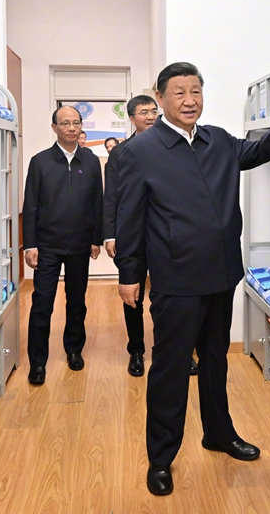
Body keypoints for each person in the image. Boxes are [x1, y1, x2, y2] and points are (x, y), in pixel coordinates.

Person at [115, 62, 270, 496]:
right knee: (171, 368)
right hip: (176, 277)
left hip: (222, 271)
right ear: (160, 98)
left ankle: (219, 433)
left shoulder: (218, 140)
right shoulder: (140, 151)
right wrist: (130, 274)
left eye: (196, 91)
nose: (189, 100)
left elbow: (259, 150)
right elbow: (130, 217)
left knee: (215, 358)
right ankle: (161, 457)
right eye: (179, 92)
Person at [105, 94, 193, 378]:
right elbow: (112, 197)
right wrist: (110, 235)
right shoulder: (121, 152)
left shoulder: (171, 145)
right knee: (132, 295)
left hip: (165, 234)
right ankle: (136, 351)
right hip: (131, 235)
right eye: (144, 112)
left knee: (167, 297)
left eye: (154, 111)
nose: (151, 116)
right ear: (132, 118)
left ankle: (171, 351)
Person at [23, 106, 103, 385]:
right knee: (42, 304)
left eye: (76, 123)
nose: (71, 128)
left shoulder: (90, 161)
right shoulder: (40, 161)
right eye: (65, 123)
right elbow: (30, 206)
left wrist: (96, 238)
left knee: (77, 301)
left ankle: (74, 350)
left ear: (81, 126)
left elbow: (98, 202)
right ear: (54, 127)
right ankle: (37, 362)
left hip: (80, 244)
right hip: (47, 245)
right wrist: (29, 244)